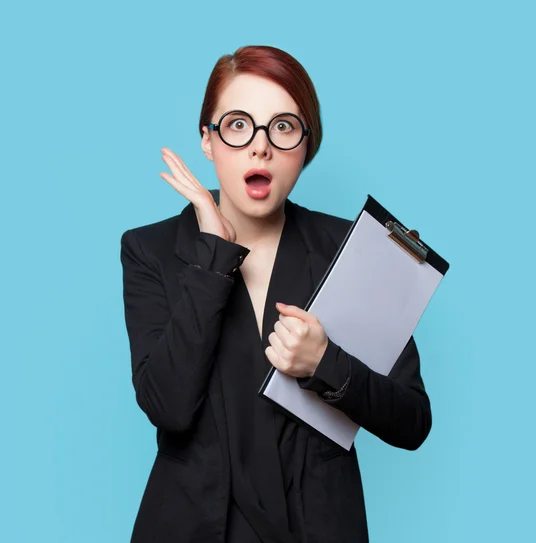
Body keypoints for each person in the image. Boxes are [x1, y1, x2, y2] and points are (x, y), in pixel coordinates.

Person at [120, 44, 432, 543]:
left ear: (306, 145)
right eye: (238, 125)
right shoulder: (150, 249)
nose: (259, 147)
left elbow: (413, 421)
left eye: (283, 127)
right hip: (195, 526)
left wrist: (326, 362)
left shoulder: (357, 251)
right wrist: (213, 257)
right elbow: (169, 408)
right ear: (208, 139)